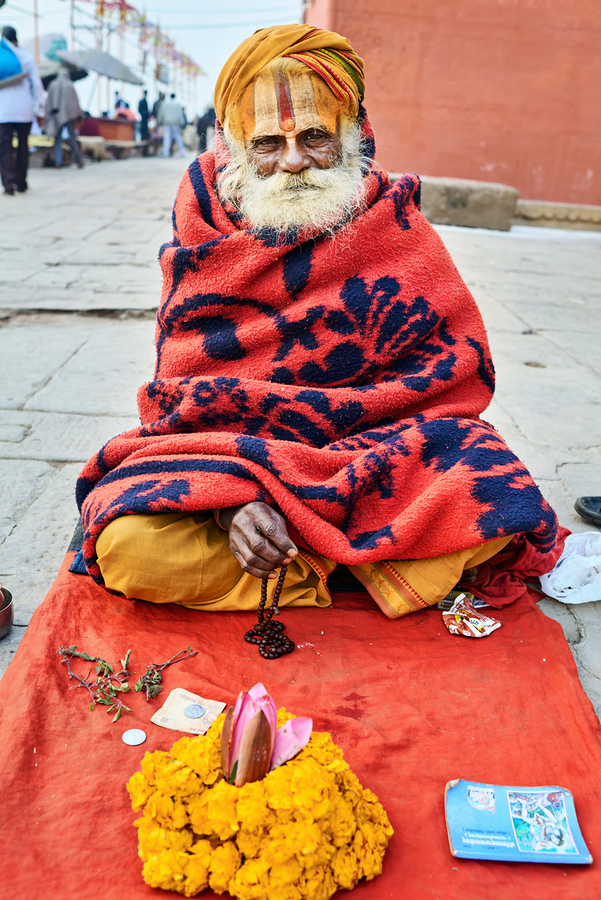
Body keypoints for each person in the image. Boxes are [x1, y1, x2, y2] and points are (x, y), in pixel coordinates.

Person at [75, 24, 564, 618]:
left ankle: (306, 569)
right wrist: (229, 501)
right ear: (231, 144)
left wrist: (339, 479)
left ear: (353, 134)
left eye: (314, 137)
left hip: (373, 460)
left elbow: (454, 380)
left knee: (493, 494)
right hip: (242, 457)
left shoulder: (391, 221)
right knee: (130, 549)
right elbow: (185, 403)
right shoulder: (205, 221)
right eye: (267, 143)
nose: (293, 162)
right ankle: (361, 570)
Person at [0, 25, 44, 194]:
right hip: (24, 110)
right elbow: (37, 87)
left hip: (3, 112)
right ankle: (21, 182)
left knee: (4, 148)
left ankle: (9, 183)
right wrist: (40, 110)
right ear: (15, 38)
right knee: (22, 146)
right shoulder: (26, 56)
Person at [44, 67, 83, 169]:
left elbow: (49, 103)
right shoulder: (69, 85)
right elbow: (74, 103)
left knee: (58, 139)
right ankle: (79, 160)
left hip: (57, 116)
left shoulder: (52, 85)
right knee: (72, 137)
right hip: (69, 116)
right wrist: (79, 114)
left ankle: (58, 162)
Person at [158, 91, 186, 158]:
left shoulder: (165, 103)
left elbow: (161, 113)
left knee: (167, 137)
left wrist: (159, 120)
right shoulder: (177, 104)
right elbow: (180, 114)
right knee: (178, 137)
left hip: (167, 123)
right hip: (175, 123)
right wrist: (181, 122)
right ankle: (182, 152)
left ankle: (166, 152)